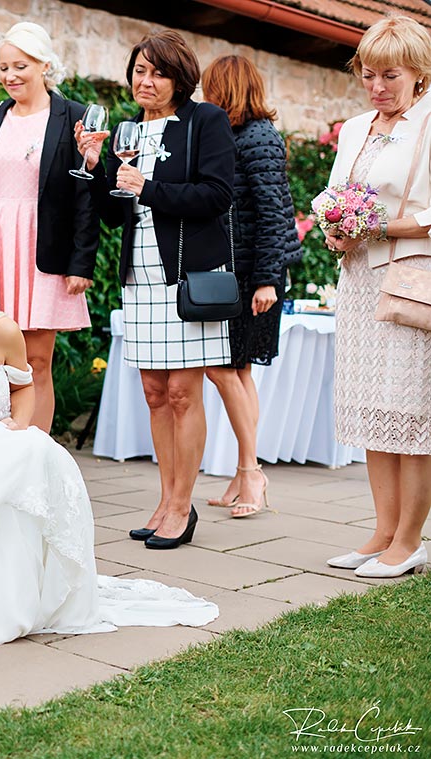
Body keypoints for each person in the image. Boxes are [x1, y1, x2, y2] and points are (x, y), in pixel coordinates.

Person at [0, 234, 217, 646]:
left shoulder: (0, 331)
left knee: (26, 480)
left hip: (7, 462)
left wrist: (20, 425)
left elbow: (23, 389)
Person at [75, 29, 235, 549]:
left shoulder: (203, 122)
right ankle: (165, 500)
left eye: (158, 72)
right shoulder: (126, 131)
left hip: (185, 279)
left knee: (185, 394)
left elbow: (217, 195)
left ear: (180, 78)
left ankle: (183, 507)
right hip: (138, 278)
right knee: (154, 393)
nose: (146, 81)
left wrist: (149, 188)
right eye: (140, 70)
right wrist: (98, 168)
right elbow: (115, 215)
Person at [322, 16, 431, 579]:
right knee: (371, 407)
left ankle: (411, 540)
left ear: (419, 73)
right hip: (359, 279)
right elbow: (339, 194)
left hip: (411, 280)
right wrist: (335, 224)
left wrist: (382, 227)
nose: (377, 87)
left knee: (408, 409)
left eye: (390, 75)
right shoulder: (357, 126)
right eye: (368, 75)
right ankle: (382, 530)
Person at [0, 22, 99, 433]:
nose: (9, 76)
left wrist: (81, 262)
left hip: (43, 246)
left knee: (36, 362)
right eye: (3, 67)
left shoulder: (73, 115)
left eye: (20, 65)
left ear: (43, 65)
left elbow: (85, 194)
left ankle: (33, 456)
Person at [200, 55, 301, 518]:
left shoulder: (257, 136)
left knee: (223, 369)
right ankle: (243, 477)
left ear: (228, 89)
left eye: (210, 88)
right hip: (237, 272)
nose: (204, 96)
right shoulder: (238, 135)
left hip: (251, 276)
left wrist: (266, 280)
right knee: (238, 372)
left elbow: (274, 214)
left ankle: (251, 472)